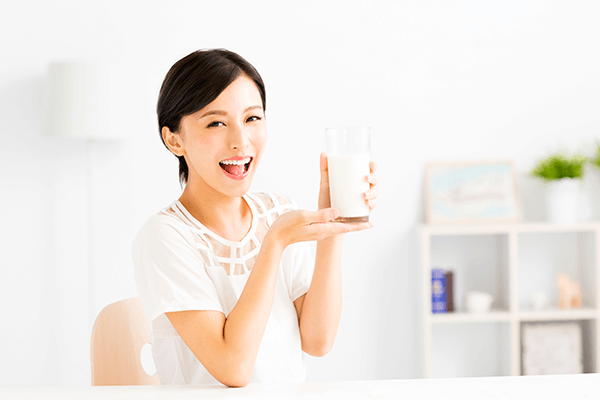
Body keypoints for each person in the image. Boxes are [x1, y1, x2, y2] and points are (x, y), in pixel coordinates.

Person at [132, 49, 379, 387]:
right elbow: (233, 368)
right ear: (174, 139)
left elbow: (318, 341)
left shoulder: (278, 214)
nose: (240, 141)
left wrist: (332, 226)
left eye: (252, 118)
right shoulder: (165, 237)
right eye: (216, 123)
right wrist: (274, 243)